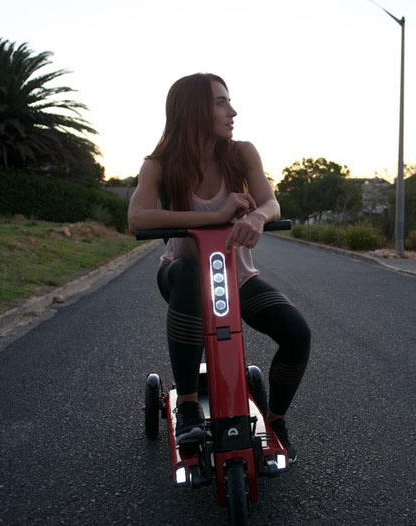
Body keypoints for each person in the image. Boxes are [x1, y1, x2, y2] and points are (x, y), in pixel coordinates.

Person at [128, 73, 310, 462]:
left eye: (229, 101)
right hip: (181, 276)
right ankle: (188, 405)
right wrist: (216, 216)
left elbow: (271, 203)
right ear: (194, 109)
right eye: (221, 102)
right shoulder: (159, 164)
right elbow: (137, 217)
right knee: (190, 276)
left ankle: (276, 420)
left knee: (297, 333)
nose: (233, 111)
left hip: (236, 278)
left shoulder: (241, 153)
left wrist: (258, 217)